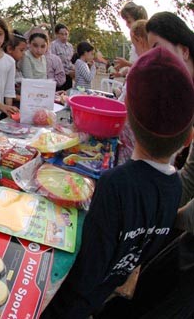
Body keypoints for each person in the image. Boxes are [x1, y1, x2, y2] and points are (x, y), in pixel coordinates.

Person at [41, 46, 194, 319]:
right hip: (102, 294)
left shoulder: (115, 184)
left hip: (69, 304)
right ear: (187, 140)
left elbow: (89, 266)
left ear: (127, 122)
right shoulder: (176, 188)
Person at [117, 19, 149, 165]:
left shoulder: (140, 68)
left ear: (140, 40)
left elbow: (124, 103)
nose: (134, 50)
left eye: (134, 44)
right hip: (140, 130)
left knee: (126, 157)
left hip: (129, 126)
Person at [113, 1, 148, 75]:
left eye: (129, 21)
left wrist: (126, 63)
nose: (126, 25)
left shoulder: (145, 44)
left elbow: (144, 67)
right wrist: (121, 73)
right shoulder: (134, 44)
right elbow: (132, 65)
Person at [4, 30, 28, 102]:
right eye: (21, 50)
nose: (24, 53)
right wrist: (25, 99)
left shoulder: (16, 66)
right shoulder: (5, 67)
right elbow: (6, 92)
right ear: (9, 49)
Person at [50, 23, 74, 90]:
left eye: (66, 34)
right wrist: (67, 72)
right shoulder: (53, 45)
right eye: (62, 34)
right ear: (57, 34)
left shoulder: (70, 46)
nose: (64, 36)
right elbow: (53, 64)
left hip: (69, 77)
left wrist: (74, 69)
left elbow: (69, 62)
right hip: (58, 77)